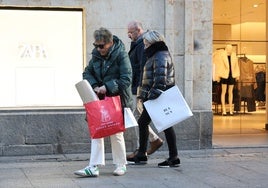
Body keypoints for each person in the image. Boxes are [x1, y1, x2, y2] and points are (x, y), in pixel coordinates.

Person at [74, 27, 133, 177]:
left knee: (116, 132)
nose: (99, 49)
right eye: (96, 46)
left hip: (117, 100)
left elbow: (126, 79)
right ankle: (93, 166)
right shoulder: (96, 55)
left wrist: (106, 87)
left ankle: (121, 164)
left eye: (102, 46)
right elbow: (87, 72)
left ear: (110, 43)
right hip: (98, 100)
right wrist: (94, 86)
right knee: (97, 131)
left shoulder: (121, 55)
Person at [127, 30, 180, 167]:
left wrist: (150, 97)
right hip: (156, 96)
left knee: (151, 123)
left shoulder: (160, 56)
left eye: (146, 43)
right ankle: (146, 155)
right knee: (148, 123)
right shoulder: (156, 54)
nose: (144, 46)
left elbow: (160, 81)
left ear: (153, 43)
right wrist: (143, 95)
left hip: (158, 97)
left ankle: (170, 157)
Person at [126, 21, 163, 161]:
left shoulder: (142, 44)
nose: (128, 35)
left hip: (141, 87)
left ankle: (146, 146)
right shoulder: (137, 44)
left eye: (131, 32)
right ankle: (150, 142)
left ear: (138, 30)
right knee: (139, 117)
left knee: (138, 117)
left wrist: (141, 91)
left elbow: (143, 68)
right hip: (138, 86)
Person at [215, 44, 240, 116]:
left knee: (230, 92)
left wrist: (237, 75)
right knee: (223, 92)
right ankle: (224, 110)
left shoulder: (234, 56)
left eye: (231, 48)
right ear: (226, 48)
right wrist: (218, 76)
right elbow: (219, 66)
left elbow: (236, 66)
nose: (230, 49)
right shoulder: (222, 55)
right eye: (228, 48)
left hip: (232, 75)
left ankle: (231, 110)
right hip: (224, 75)